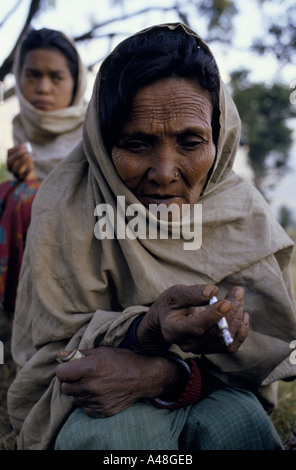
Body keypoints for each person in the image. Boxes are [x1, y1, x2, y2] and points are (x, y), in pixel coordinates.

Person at [7, 23, 296, 451]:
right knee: (117, 435)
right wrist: (145, 331)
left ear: (221, 139)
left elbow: (256, 361)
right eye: (137, 144)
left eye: (191, 141)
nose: (164, 172)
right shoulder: (66, 206)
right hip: (98, 410)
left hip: (212, 393)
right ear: (105, 145)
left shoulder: (242, 216)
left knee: (239, 421)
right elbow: (48, 365)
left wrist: (168, 374)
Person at [0, 28, 87, 314]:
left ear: (76, 82)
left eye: (56, 77)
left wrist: (38, 189)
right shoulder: (21, 131)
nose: (43, 88)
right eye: (33, 75)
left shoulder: (99, 130)